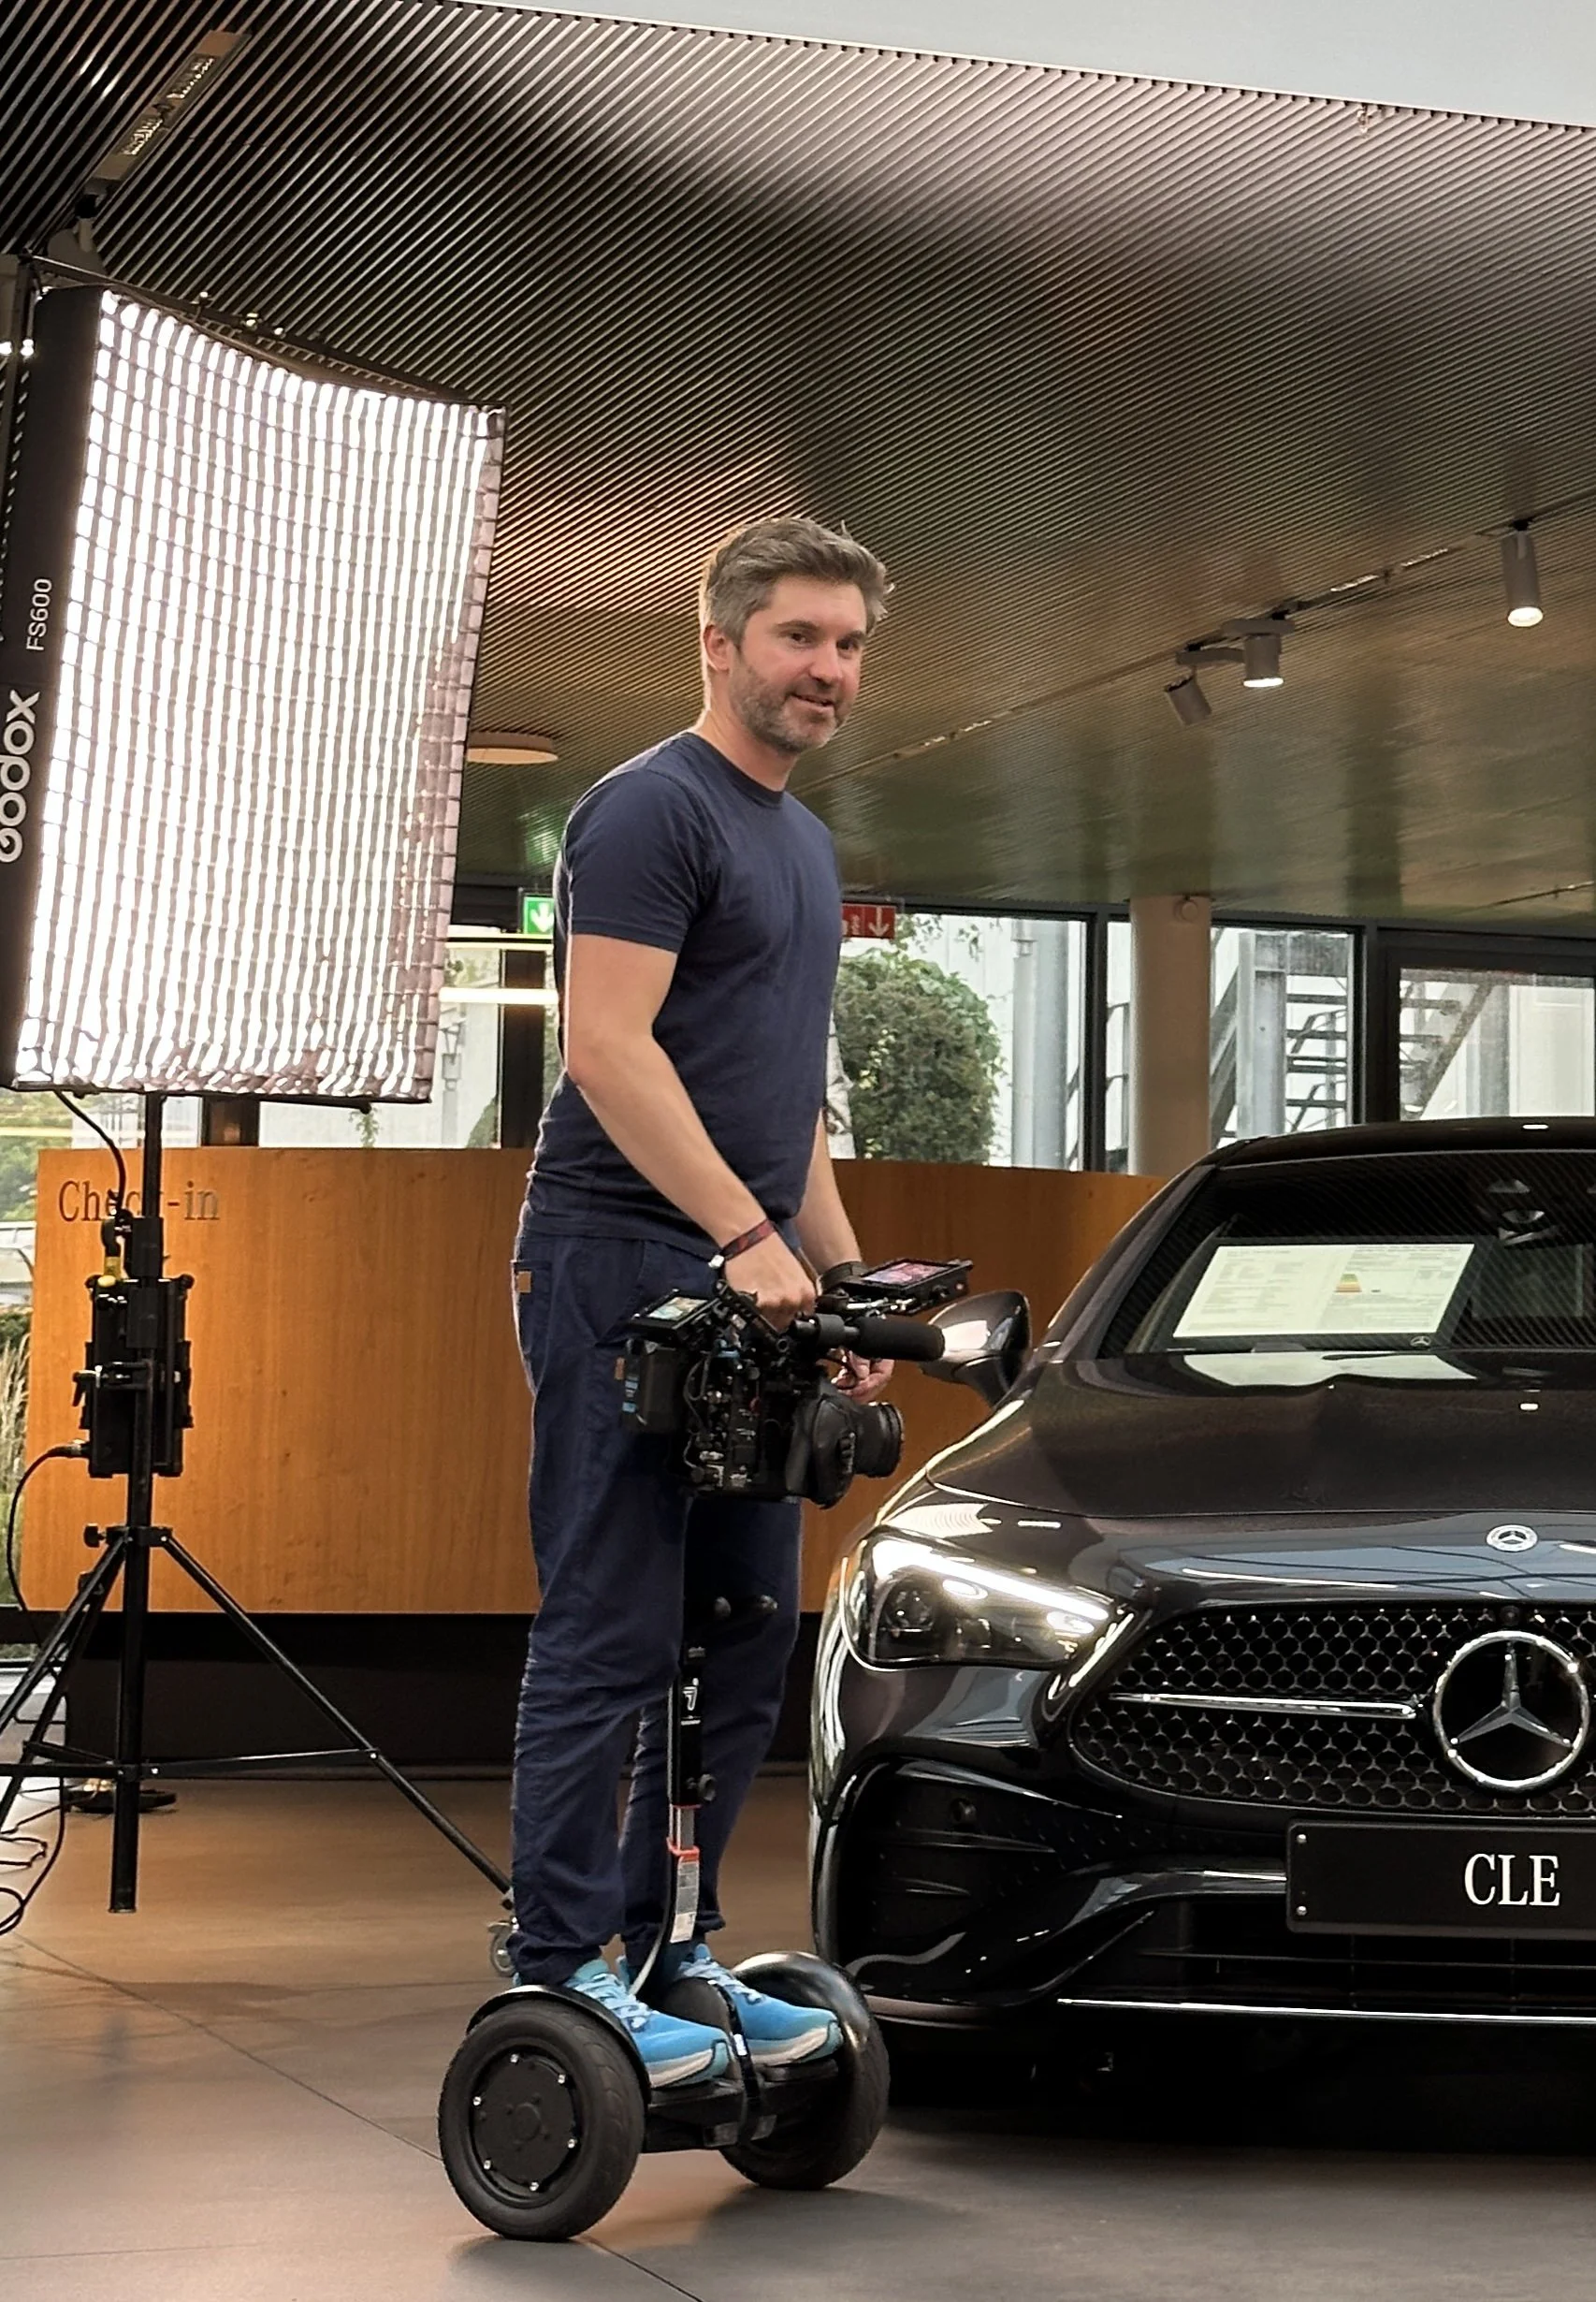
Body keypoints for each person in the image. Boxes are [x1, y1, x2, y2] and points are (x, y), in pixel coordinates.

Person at [507, 517, 894, 2088]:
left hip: (747, 1265)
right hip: (619, 1257)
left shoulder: (800, 845)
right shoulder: (646, 811)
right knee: (611, 1625)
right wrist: (738, 1236)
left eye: (850, 644)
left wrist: (847, 1303)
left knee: (741, 1628)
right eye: (799, 637)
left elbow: (780, 1112)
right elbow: (607, 1046)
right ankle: (559, 1966)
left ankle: (672, 1945)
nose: (827, 671)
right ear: (718, 643)